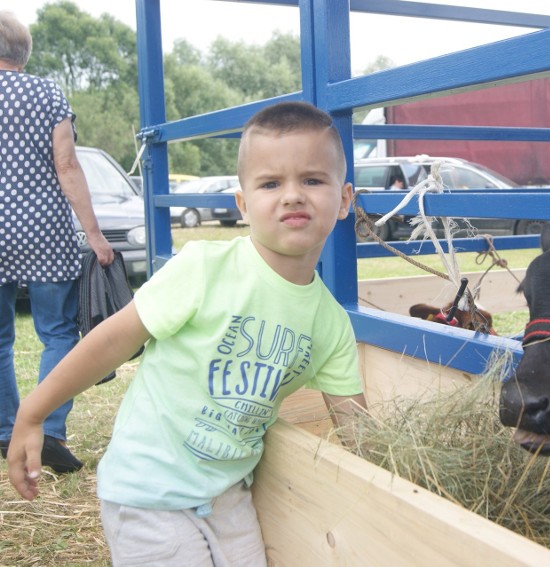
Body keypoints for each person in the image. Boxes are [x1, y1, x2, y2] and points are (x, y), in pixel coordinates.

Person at [7, 100, 367, 566]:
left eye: (313, 180)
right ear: (243, 203)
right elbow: (112, 341)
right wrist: (32, 414)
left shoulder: (331, 324)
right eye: (271, 183)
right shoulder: (203, 268)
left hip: (228, 496)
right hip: (148, 489)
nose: (293, 195)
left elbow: (360, 430)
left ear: (343, 200)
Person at [0, 10, 114, 474]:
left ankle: (8, 430)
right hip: (44, 228)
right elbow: (67, 164)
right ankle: (47, 431)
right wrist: (93, 233)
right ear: (23, 54)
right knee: (58, 332)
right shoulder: (46, 92)